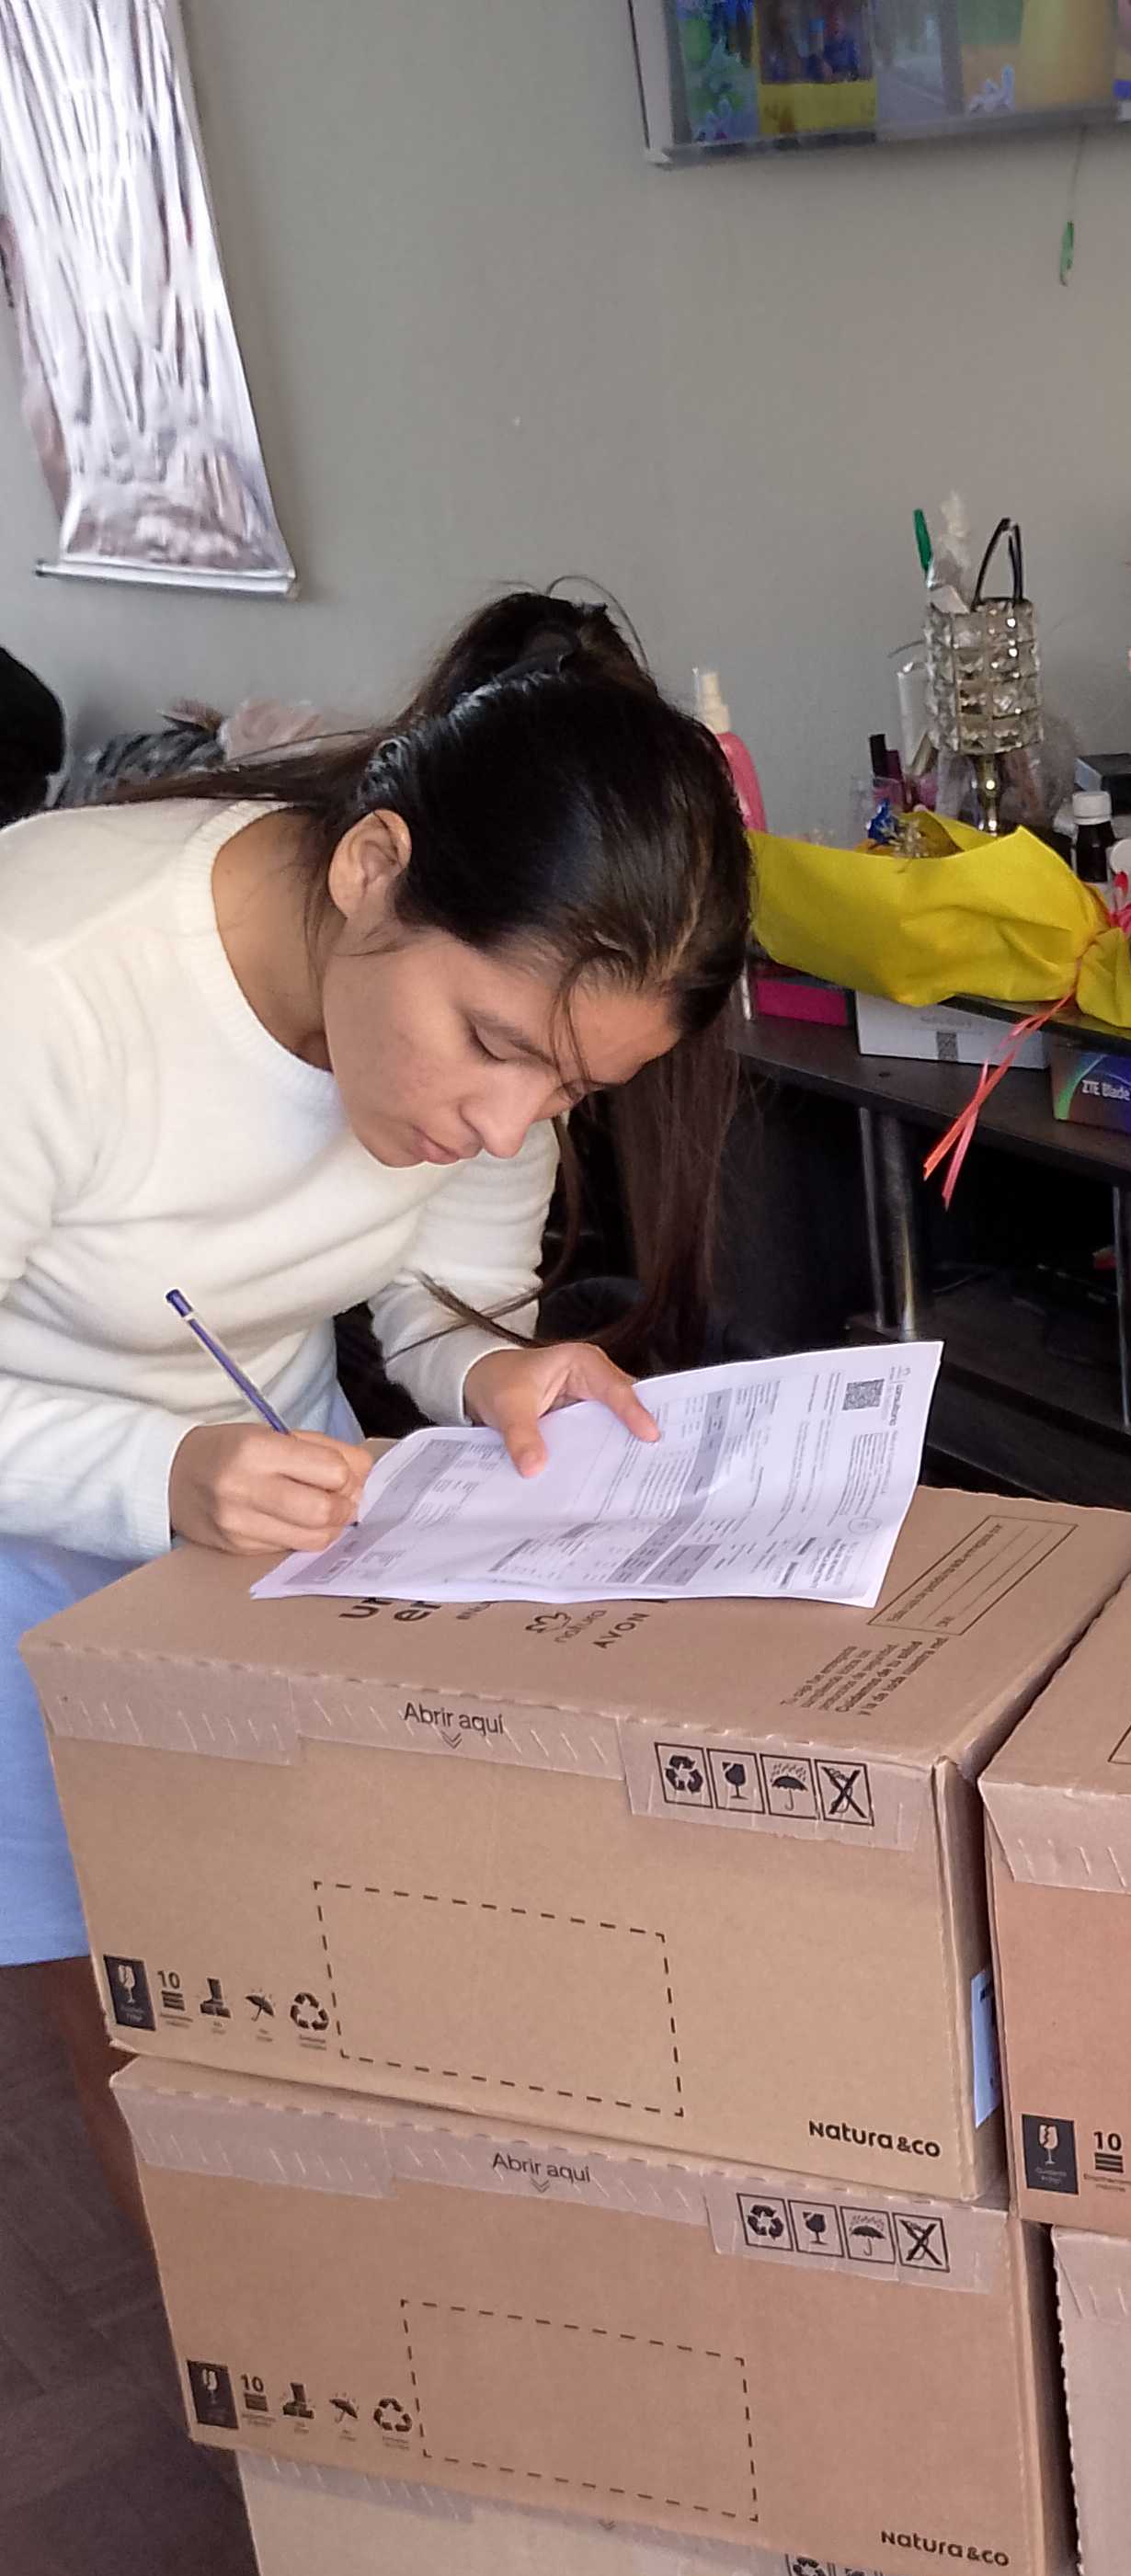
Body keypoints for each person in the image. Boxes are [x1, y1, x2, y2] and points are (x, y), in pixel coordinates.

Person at [0, 588, 751, 2226]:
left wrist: (491, 1369)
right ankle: (248, 2327)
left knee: (340, 1929)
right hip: (34, 1498)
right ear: (371, 868)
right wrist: (156, 1472)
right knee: (133, 1995)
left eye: (568, 1089)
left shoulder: (495, 1056)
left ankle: (394, 2284)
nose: (505, 1124)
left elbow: (436, 1285)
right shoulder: (47, 975)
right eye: (489, 1046)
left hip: (262, 1485)